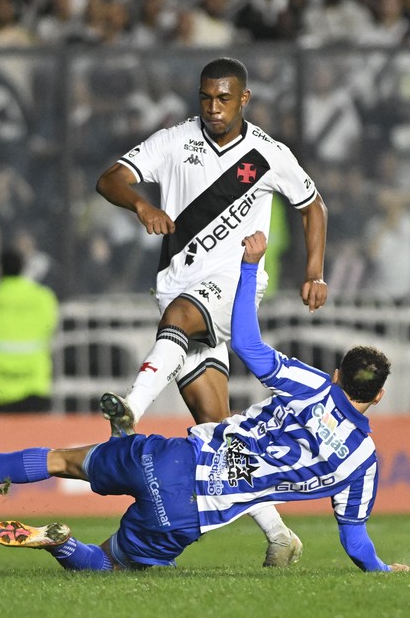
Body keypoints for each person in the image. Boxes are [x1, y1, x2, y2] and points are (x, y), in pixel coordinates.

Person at [0, 232, 410, 574]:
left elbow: (247, 343)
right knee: (110, 564)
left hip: (172, 455)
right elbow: (355, 540)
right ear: (379, 395)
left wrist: (248, 268)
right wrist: (383, 570)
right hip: (189, 509)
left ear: (338, 375)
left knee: (59, 459)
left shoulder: (313, 384)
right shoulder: (362, 462)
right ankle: (62, 543)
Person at [93, 56, 328, 565]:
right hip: (176, 283)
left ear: (244, 99)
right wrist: (141, 205)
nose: (213, 107)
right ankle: (280, 535)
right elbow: (110, 179)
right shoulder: (175, 140)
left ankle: (131, 409)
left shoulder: (267, 154)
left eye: (224, 98)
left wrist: (314, 272)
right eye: (206, 97)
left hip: (233, 286)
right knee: (216, 429)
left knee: (180, 316)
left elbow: (313, 206)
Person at [0, 249, 59, 413]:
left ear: (0, 269)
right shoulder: (43, 297)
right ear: (23, 268)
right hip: (33, 384)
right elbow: (50, 329)